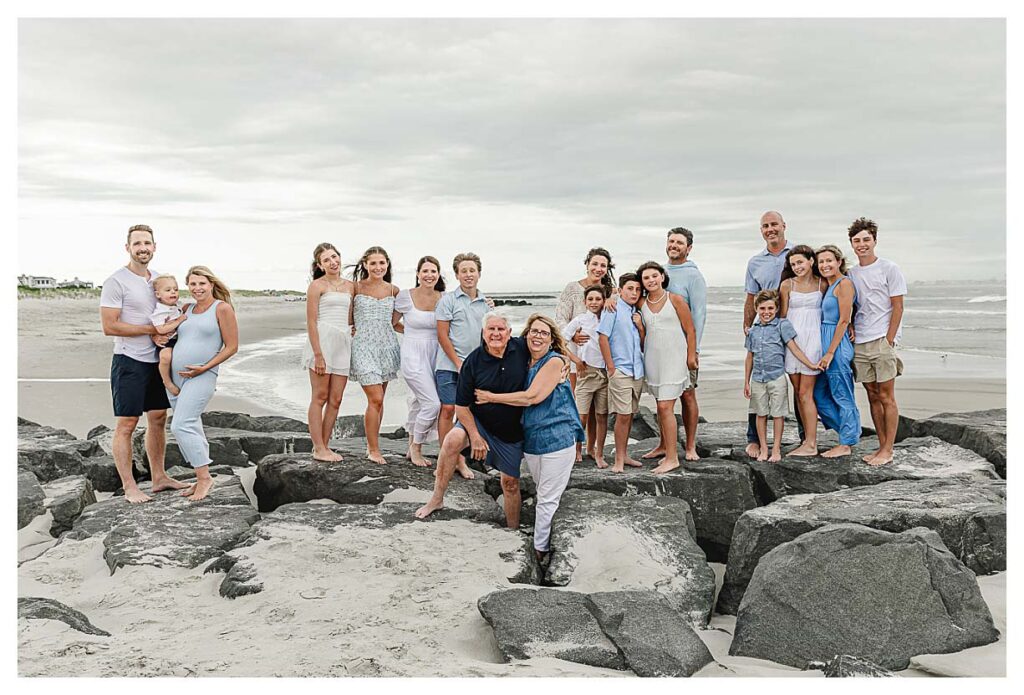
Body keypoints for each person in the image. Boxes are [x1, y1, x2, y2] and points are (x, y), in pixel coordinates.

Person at [474, 315, 585, 563]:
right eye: (534, 331)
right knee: (542, 492)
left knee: (546, 498)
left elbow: (531, 397)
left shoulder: (555, 362)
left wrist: (491, 397)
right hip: (533, 440)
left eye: (544, 333)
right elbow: (496, 343)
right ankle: (540, 541)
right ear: (526, 336)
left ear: (551, 339)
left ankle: (539, 550)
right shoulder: (521, 362)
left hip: (558, 438)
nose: (538, 336)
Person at [99, 224, 189, 503]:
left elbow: (171, 311)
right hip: (129, 360)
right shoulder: (116, 281)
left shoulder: (160, 279)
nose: (142, 248)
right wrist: (153, 332)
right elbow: (109, 326)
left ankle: (159, 477)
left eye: (147, 243)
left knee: (158, 419)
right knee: (127, 423)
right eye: (137, 243)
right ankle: (129, 487)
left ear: (154, 246)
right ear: (128, 248)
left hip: (156, 362)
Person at [415, 313, 530, 526]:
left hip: (511, 430)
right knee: (452, 440)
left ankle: (513, 530)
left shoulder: (522, 349)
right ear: (483, 333)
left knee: (511, 483)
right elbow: (461, 406)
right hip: (478, 422)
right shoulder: (473, 362)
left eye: (501, 329)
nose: (496, 334)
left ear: (510, 333)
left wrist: (563, 363)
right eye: (491, 330)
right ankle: (436, 499)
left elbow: (548, 346)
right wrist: (475, 436)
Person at [168, 266, 239, 501]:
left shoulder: (222, 308)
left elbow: (231, 347)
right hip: (176, 377)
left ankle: (205, 478)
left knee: (180, 425)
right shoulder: (186, 308)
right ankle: (200, 477)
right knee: (192, 426)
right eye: (193, 284)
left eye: (202, 283)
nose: (197, 288)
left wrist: (205, 367)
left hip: (202, 375)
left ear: (211, 284)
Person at [847, 217, 907, 467]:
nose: (862, 245)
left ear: (874, 240)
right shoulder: (851, 273)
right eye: (857, 241)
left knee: (886, 396)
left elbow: (898, 306)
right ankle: (881, 446)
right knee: (871, 395)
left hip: (881, 340)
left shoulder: (889, 268)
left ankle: (888, 449)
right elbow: (851, 305)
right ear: (852, 244)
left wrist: (890, 339)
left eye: (866, 240)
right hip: (860, 341)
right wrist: (850, 325)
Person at [743, 211, 797, 458]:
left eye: (774, 224)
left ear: (784, 226)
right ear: (761, 230)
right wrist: (748, 325)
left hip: (796, 325)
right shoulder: (755, 262)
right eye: (765, 226)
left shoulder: (797, 255)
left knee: (797, 383)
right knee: (761, 378)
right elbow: (751, 296)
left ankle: (806, 438)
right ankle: (754, 439)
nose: (770, 229)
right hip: (765, 326)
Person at [636, 261, 698, 474]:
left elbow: (690, 330)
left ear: (662, 276)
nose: (651, 280)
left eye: (655, 275)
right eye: (646, 278)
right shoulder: (640, 302)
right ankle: (663, 446)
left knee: (665, 407)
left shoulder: (676, 300)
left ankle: (673, 458)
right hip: (653, 359)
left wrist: (691, 356)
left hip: (675, 357)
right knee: (659, 403)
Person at [743, 290, 819, 462]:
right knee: (760, 414)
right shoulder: (753, 331)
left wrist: (810, 364)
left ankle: (776, 448)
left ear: (776, 308)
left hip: (777, 378)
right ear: (756, 309)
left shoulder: (782, 326)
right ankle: (763, 448)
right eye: (762, 308)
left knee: (778, 414)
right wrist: (746, 382)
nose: (766, 312)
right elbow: (749, 357)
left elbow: (794, 348)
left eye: (770, 308)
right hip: (757, 379)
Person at [555, 248, 617, 461]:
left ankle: (592, 447)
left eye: (603, 265)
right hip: (576, 354)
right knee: (578, 402)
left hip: (599, 356)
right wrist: (572, 338)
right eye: (595, 264)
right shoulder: (572, 288)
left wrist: (612, 298)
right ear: (587, 264)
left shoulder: (609, 291)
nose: (599, 269)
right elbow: (560, 319)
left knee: (597, 408)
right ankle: (575, 448)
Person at [434, 252, 490, 480]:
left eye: (472, 270)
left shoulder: (485, 303)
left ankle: (461, 459)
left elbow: (489, 336)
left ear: (479, 273)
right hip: (449, 365)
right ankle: (449, 459)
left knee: (468, 412)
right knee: (449, 409)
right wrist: (458, 362)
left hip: (476, 367)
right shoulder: (447, 300)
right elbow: (442, 335)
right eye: (463, 271)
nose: (468, 275)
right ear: (457, 274)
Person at [349, 246, 402, 465]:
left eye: (382, 263)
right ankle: (372, 449)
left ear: (387, 265)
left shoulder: (394, 291)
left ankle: (375, 444)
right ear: (365, 265)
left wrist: (424, 333)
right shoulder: (355, 287)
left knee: (379, 402)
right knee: (376, 398)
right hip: (363, 347)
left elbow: (396, 322)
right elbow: (345, 315)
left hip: (387, 347)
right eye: (373, 263)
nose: (378, 267)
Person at [300, 242, 353, 463]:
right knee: (320, 396)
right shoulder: (317, 286)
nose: (333, 262)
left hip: (343, 342)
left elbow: (351, 317)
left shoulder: (351, 286)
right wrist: (318, 354)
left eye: (334, 257)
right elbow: (311, 322)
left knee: (336, 399)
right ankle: (318, 447)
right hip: (322, 342)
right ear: (320, 265)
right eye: (327, 260)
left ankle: (325, 445)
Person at [393, 256, 445, 467]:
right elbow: (393, 323)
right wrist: (413, 334)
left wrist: (486, 302)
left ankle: (410, 446)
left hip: (436, 354)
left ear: (438, 274)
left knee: (418, 399)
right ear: (418, 274)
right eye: (425, 271)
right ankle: (416, 447)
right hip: (412, 354)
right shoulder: (406, 296)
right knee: (433, 403)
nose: (429, 275)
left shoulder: (444, 298)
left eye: (433, 271)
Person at [662, 227, 707, 461]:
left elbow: (699, 314)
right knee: (663, 396)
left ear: (688, 248)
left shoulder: (693, 276)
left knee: (687, 394)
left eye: (679, 242)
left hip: (685, 346)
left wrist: (694, 349)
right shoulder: (659, 271)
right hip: (661, 346)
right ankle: (663, 444)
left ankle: (690, 446)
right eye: (671, 241)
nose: (674, 245)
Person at [814, 245, 862, 457]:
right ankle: (849, 431)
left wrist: (830, 352)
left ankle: (846, 443)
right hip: (825, 341)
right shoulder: (829, 284)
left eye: (829, 260)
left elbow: (843, 319)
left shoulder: (844, 284)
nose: (825, 265)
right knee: (819, 395)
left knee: (843, 395)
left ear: (839, 262)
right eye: (821, 262)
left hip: (837, 345)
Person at [779, 245, 825, 456]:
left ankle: (811, 444)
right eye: (793, 264)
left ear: (811, 261)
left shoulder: (822, 284)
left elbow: (832, 311)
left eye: (800, 262)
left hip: (813, 341)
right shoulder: (787, 285)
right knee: (798, 393)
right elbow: (782, 317)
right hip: (792, 341)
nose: (797, 267)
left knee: (807, 393)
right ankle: (806, 439)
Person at [597, 273, 646, 474]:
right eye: (630, 289)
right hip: (621, 370)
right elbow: (602, 337)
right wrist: (611, 367)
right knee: (622, 415)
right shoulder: (613, 308)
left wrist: (641, 327)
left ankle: (625, 455)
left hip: (637, 371)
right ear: (620, 290)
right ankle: (618, 459)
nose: (634, 293)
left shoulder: (638, 312)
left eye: (637, 290)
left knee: (630, 415)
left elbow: (642, 344)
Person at [563, 285, 610, 468]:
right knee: (581, 417)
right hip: (586, 372)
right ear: (584, 302)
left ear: (604, 300)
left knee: (601, 416)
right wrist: (575, 360)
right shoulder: (580, 320)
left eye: (598, 299)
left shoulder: (608, 318)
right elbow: (560, 340)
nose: (594, 302)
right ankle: (576, 449)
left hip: (605, 374)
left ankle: (598, 453)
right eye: (590, 299)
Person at [149, 274, 189, 397]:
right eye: (168, 290)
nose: (173, 292)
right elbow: (160, 329)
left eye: (175, 289)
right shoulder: (160, 311)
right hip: (167, 340)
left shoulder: (176, 307)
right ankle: (167, 381)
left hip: (178, 339)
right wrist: (178, 321)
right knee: (165, 357)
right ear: (158, 295)